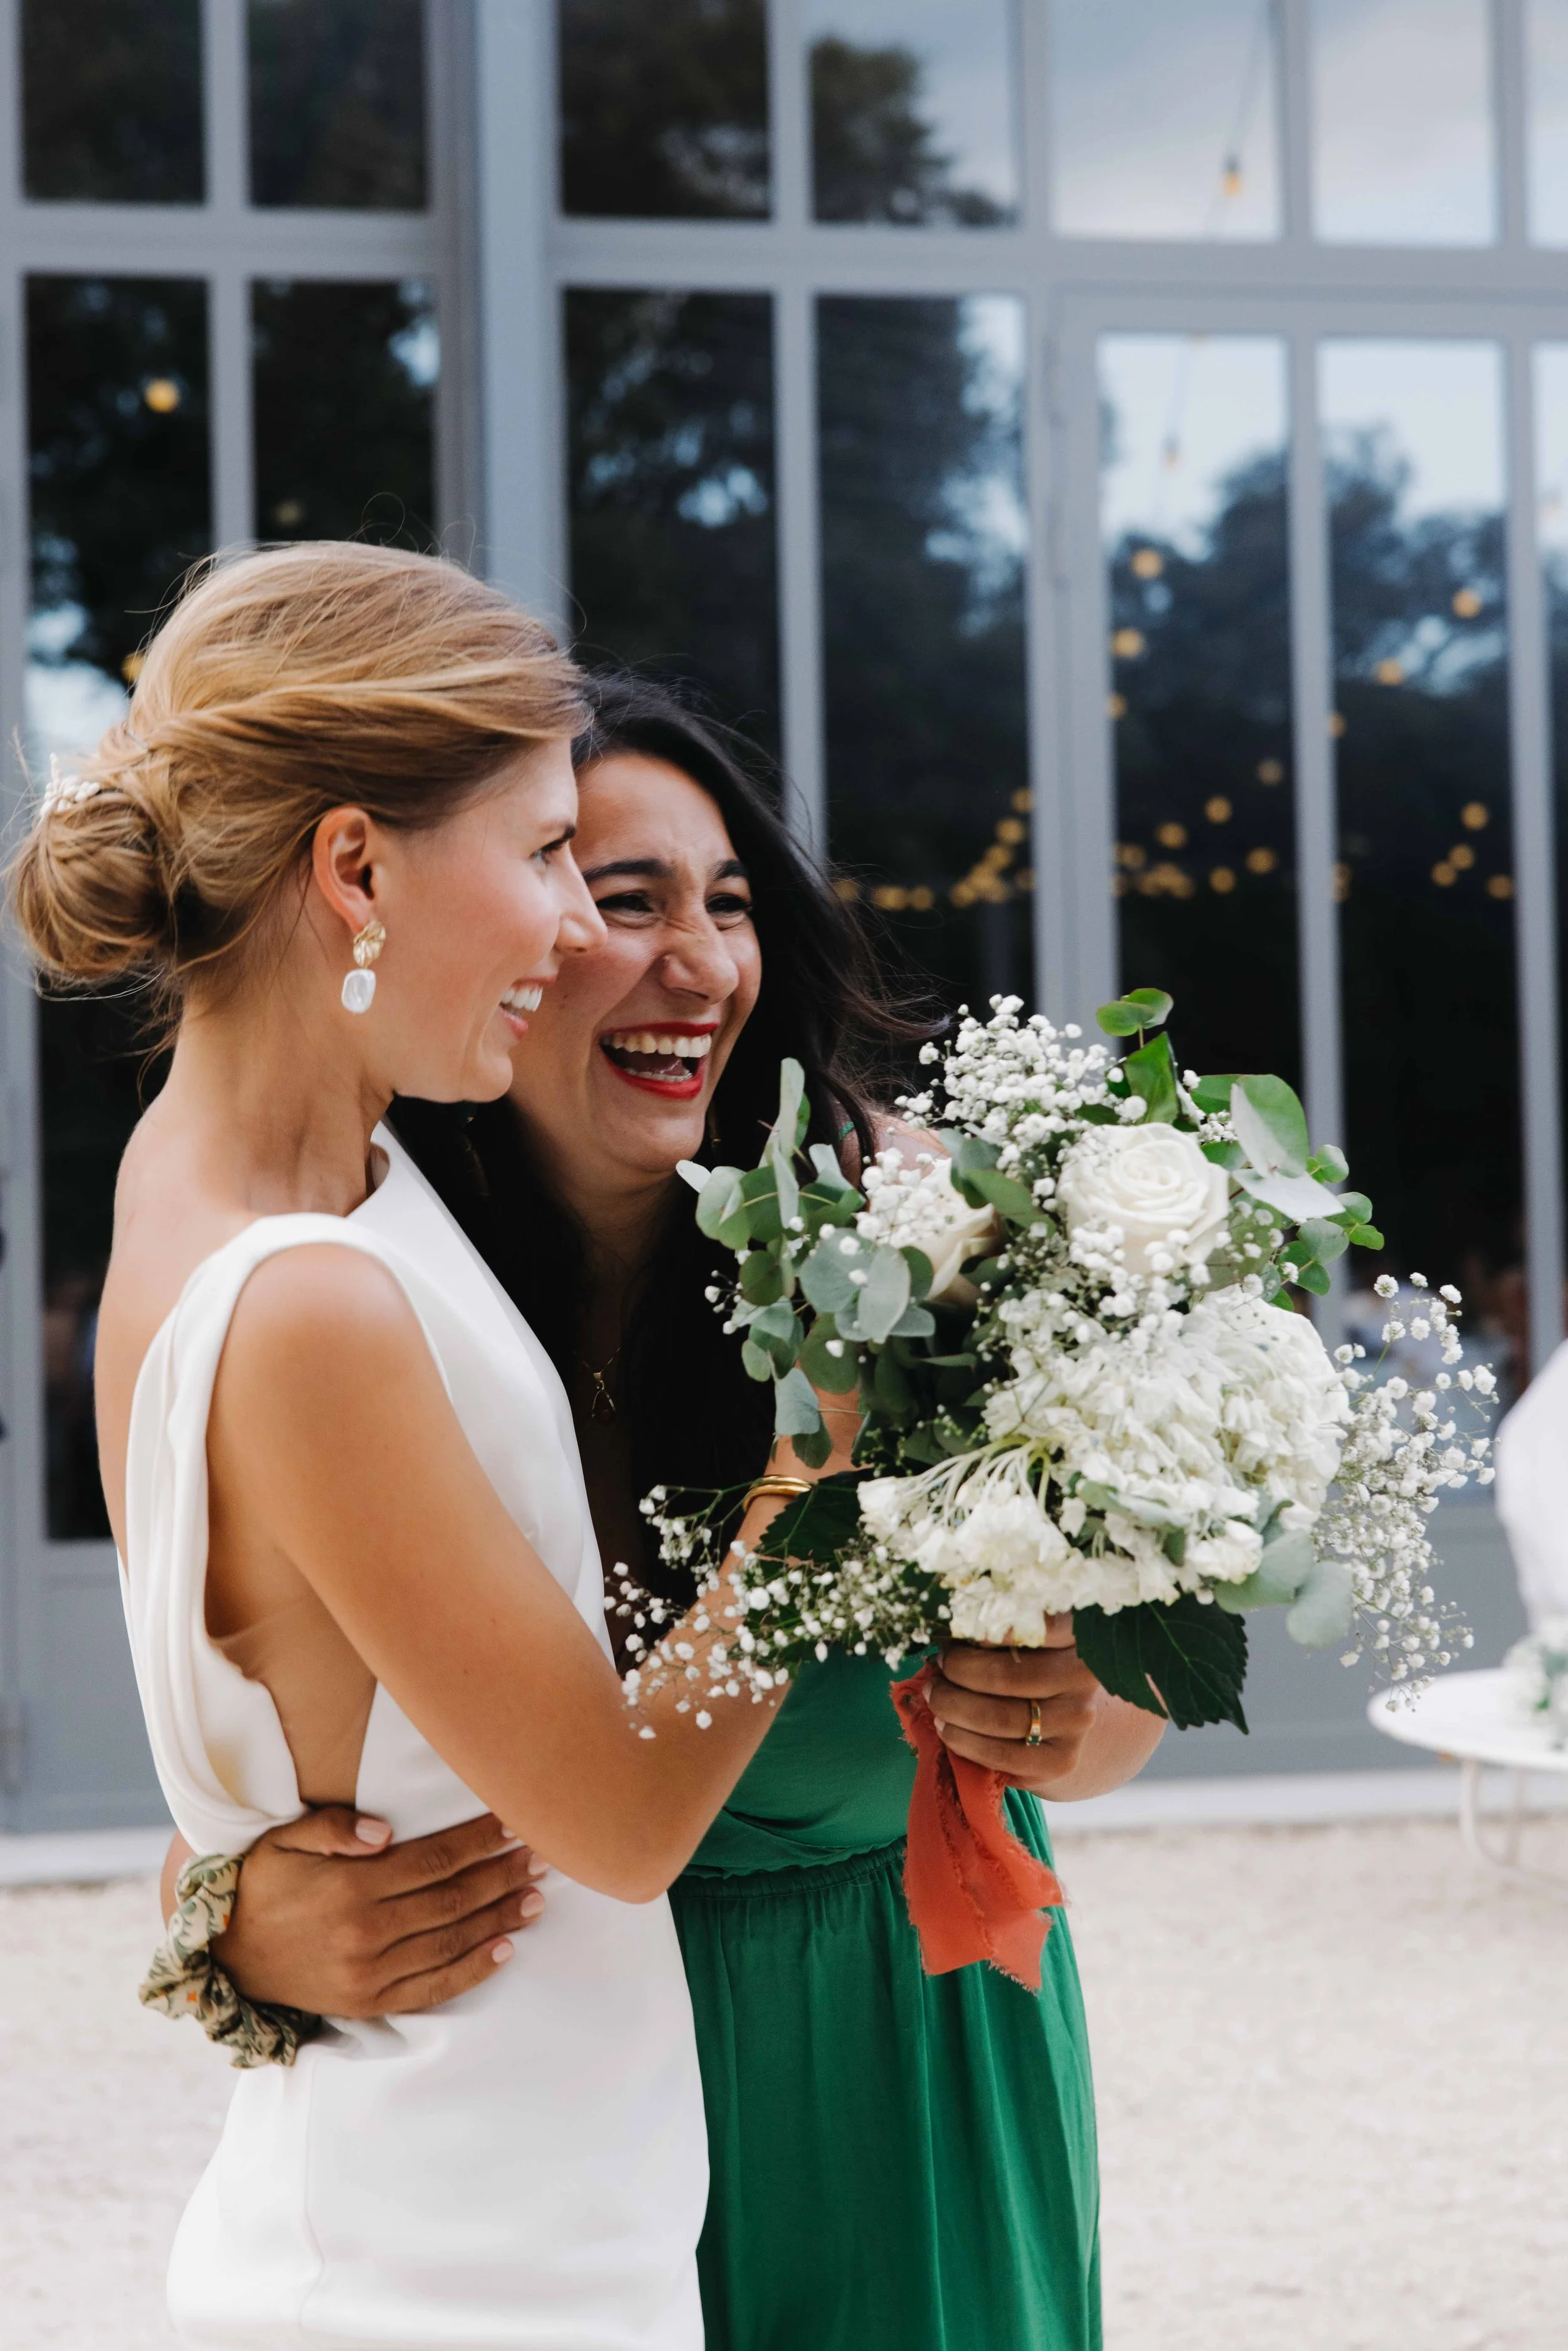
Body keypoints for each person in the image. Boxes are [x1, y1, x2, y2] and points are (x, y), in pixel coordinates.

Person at [186, 675, 1167, 2351]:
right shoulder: (372, 1314)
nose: (700, 962)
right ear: (500, 924)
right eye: (620, 895)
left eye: (727, 904)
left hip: (906, 2064)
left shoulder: (922, 1247)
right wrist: (226, 1924)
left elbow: (1117, 1692)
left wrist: (1089, 1704)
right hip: (552, 2132)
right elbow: (260, 1746)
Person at [14, 546, 857, 2350]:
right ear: (353, 866)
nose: (575, 931)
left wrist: (217, 1905)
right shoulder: (305, 1301)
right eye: (549, 854)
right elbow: (619, 1822)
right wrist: (826, 1464)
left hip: (505, 2204)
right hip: (449, 2270)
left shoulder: (254, 1169)